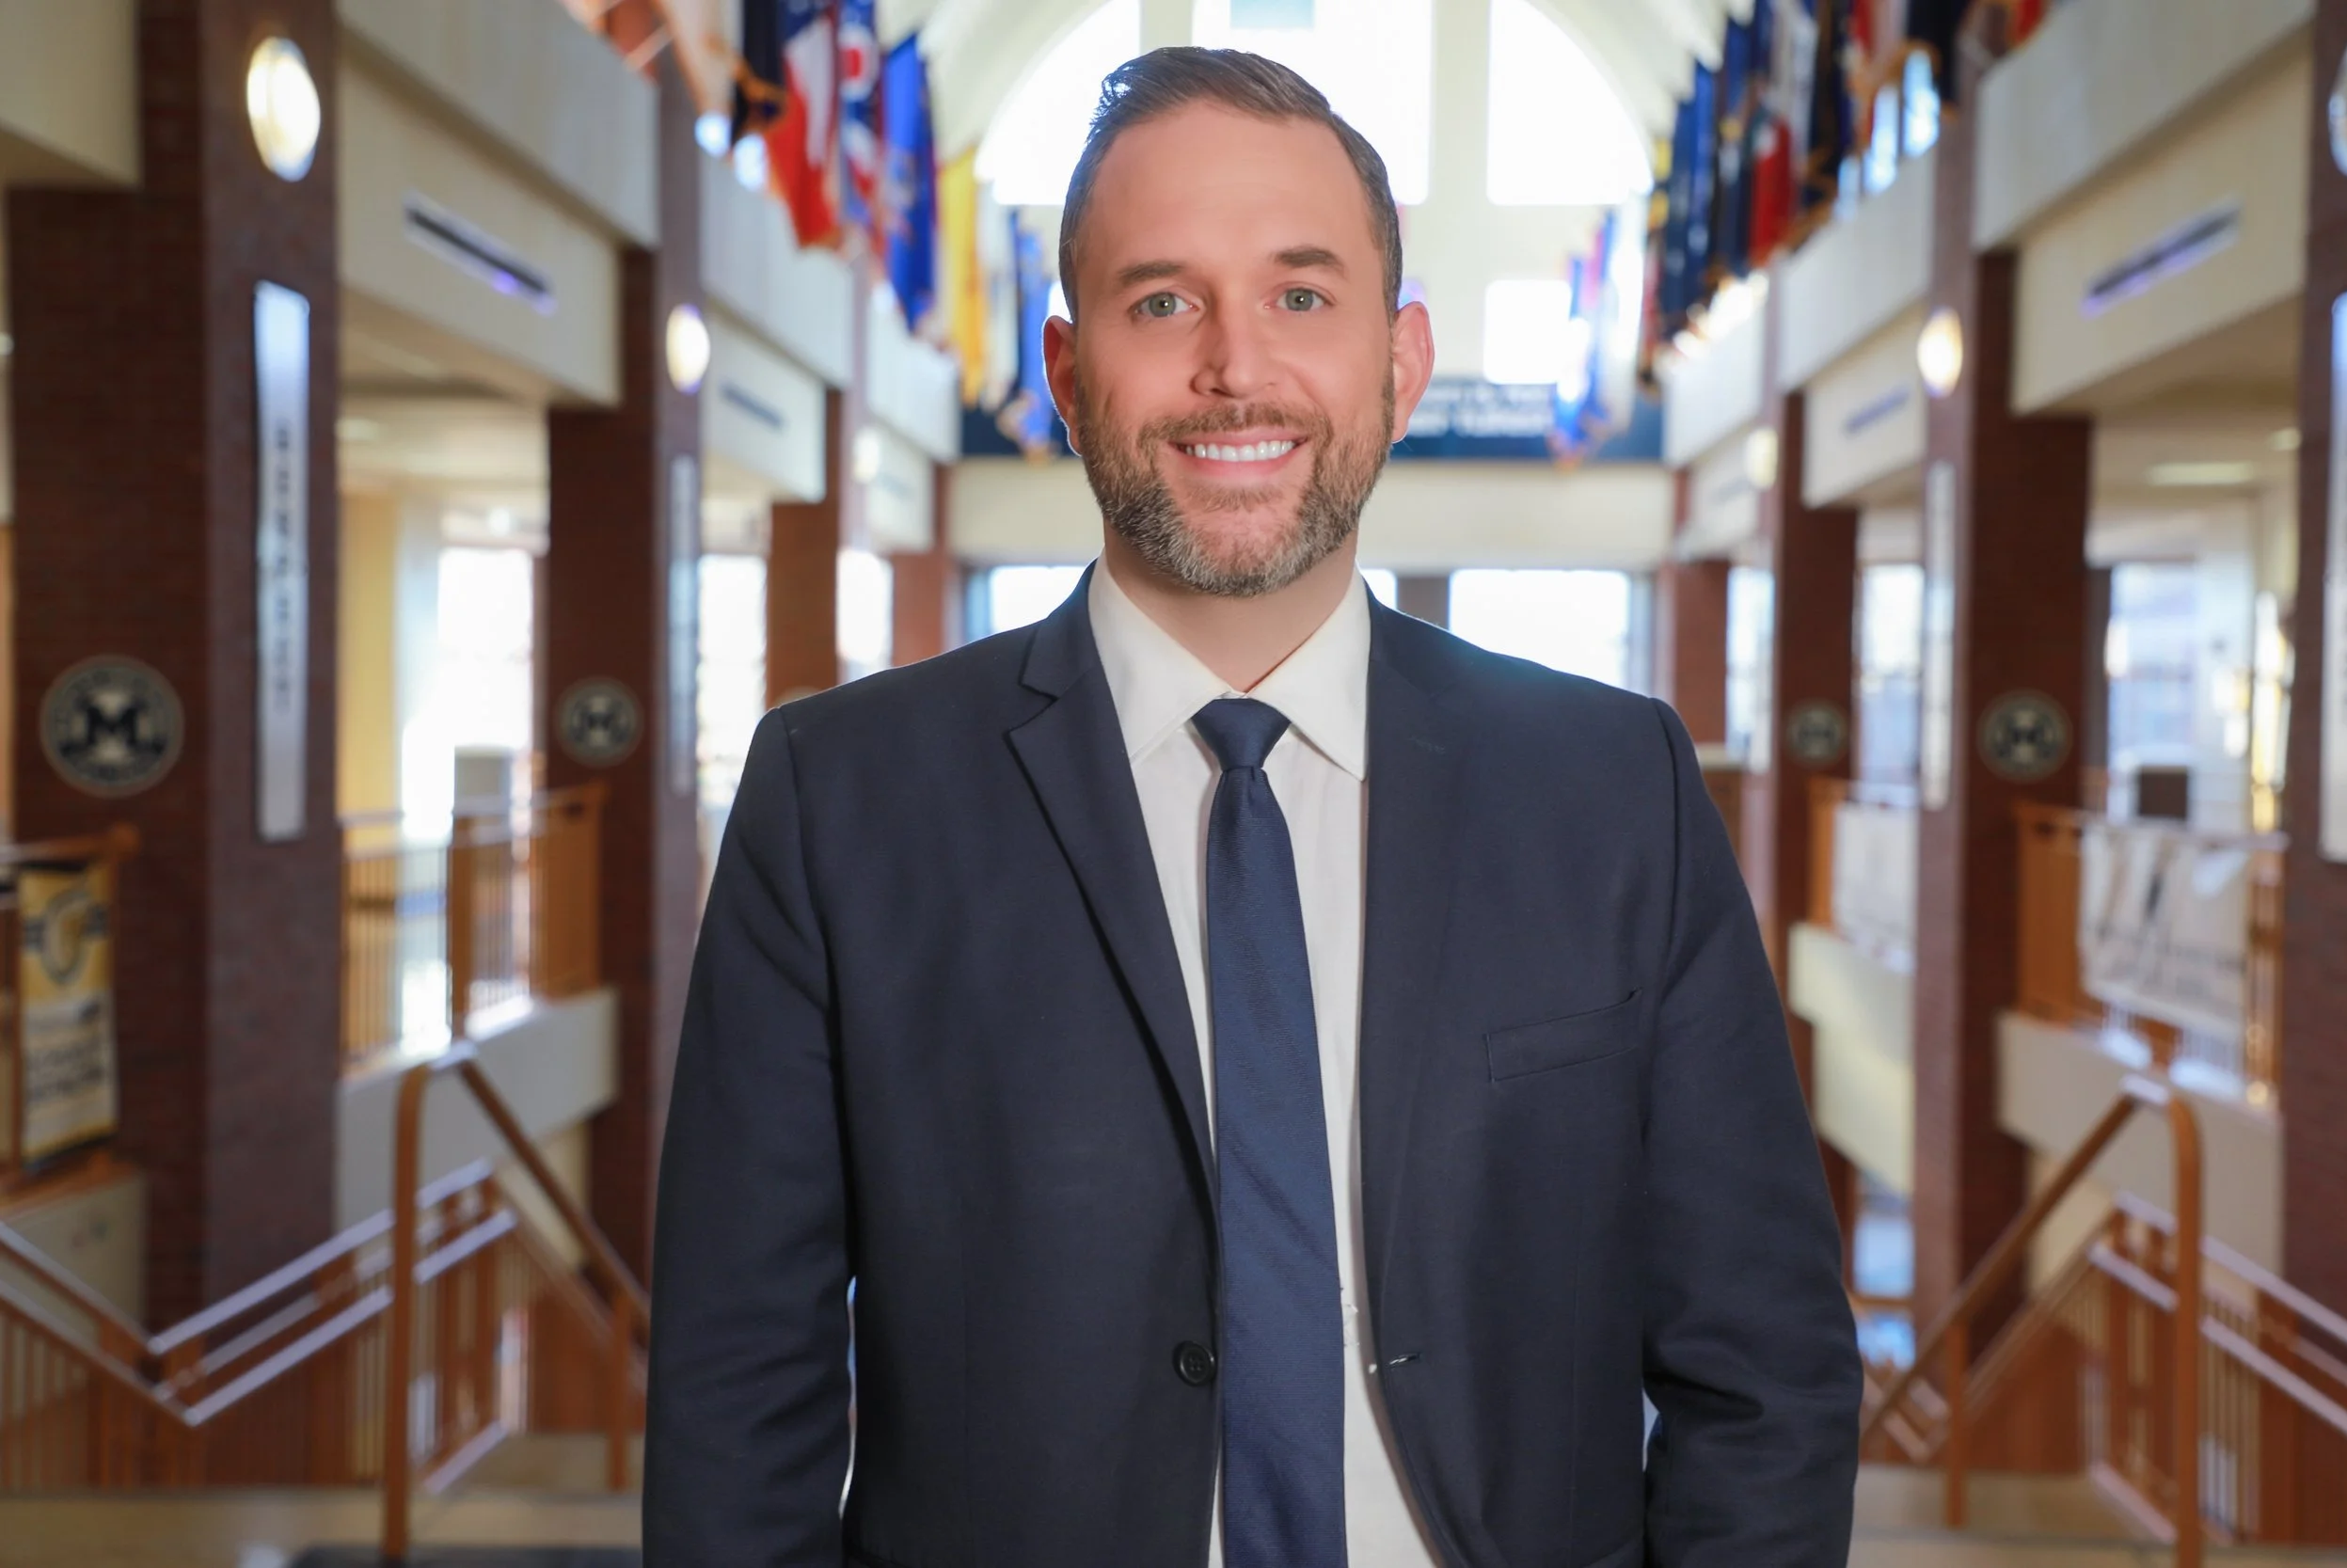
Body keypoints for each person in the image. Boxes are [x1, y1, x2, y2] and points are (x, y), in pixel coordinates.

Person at [645, 46, 1860, 1568]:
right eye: (1163, 301)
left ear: (1399, 362)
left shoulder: (1617, 790)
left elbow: (1766, 1369)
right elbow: (733, 1392)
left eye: (1302, 295)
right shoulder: (840, 798)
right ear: (1068, 369)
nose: (1236, 366)